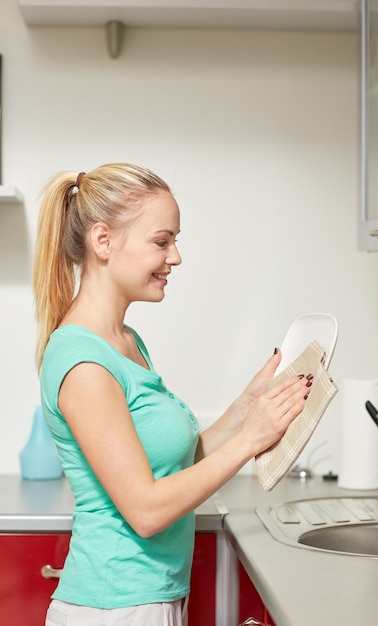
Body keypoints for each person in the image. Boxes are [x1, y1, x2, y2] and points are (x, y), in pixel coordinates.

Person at [33, 163, 312, 626]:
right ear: (103, 241)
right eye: (162, 241)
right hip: (114, 607)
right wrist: (250, 440)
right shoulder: (82, 361)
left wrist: (247, 406)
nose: (176, 257)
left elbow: (178, 463)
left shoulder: (126, 342)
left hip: (148, 600)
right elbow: (145, 509)